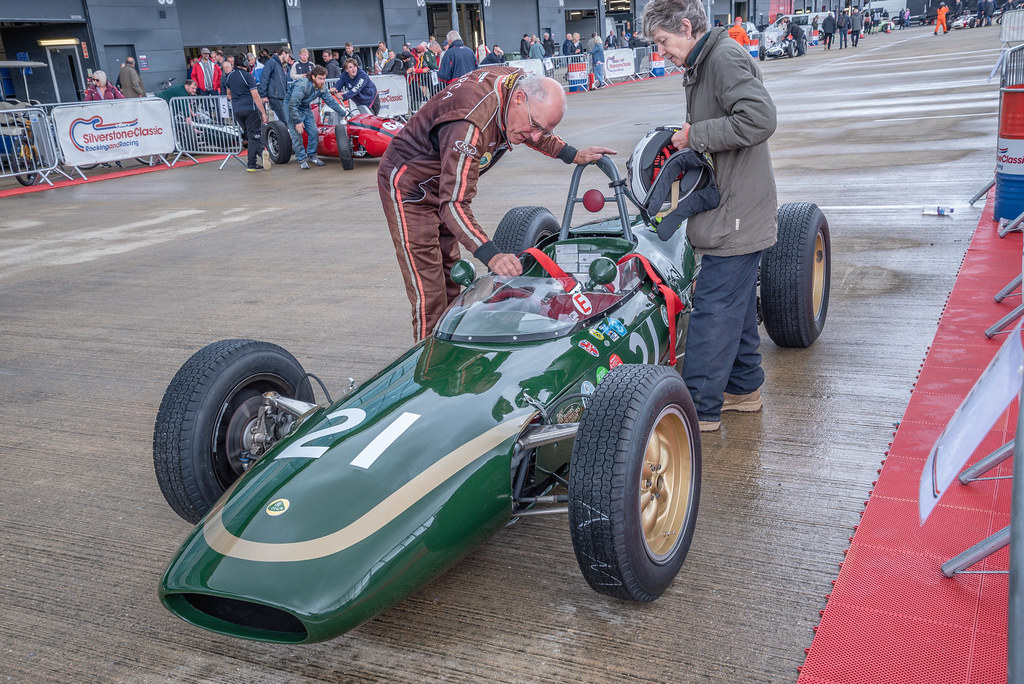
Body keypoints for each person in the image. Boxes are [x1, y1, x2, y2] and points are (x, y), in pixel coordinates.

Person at [377, 68, 615, 341]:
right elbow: (453, 204)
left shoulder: (517, 86)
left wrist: (573, 154)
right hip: (411, 187)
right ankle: (429, 369)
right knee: (429, 290)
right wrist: (492, 255)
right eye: (535, 126)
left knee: (452, 277)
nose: (536, 137)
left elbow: (535, 131)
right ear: (519, 99)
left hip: (444, 178)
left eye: (544, 130)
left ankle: (454, 354)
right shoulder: (470, 124)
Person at [641, 0, 778, 432]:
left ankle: (697, 411)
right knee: (731, 307)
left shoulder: (722, 58)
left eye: (663, 41)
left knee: (713, 311)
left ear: (686, 26)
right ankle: (742, 390)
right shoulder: (706, 62)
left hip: (736, 211)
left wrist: (693, 136)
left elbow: (759, 118)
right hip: (732, 205)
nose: (660, 52)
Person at [287, 65, 349, 169]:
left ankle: (311, 155)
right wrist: (297, 121)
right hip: (292, 107)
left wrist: (343, 113)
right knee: (297, 134)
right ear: (313, 77)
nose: (323, 81)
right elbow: (293, 104)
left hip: (305, 107)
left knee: (314, 132)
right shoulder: (302, 85)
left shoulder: (322, 87)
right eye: (320, 78)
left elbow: (331, 101)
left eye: (324, 79)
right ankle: (302, 159)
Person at [225, 53, 269, 172]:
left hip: (237, 110)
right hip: (250, 109)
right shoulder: (248, 76)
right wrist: (263, 112)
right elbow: (255, 95)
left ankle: (262, 152)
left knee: (251, 135)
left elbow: (229, 94)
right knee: (254, 137)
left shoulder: (229, 76)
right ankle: (251, 164)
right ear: (244, 63)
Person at [258, 47, 290, 123]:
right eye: (288, 56)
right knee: (285, 121)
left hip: (281, 96)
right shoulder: (271, 62)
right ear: (284, 53)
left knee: (286, 120)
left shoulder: (280, 65)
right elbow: (264, 78)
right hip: (275, 97)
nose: (289, 58)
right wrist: (263, 95)